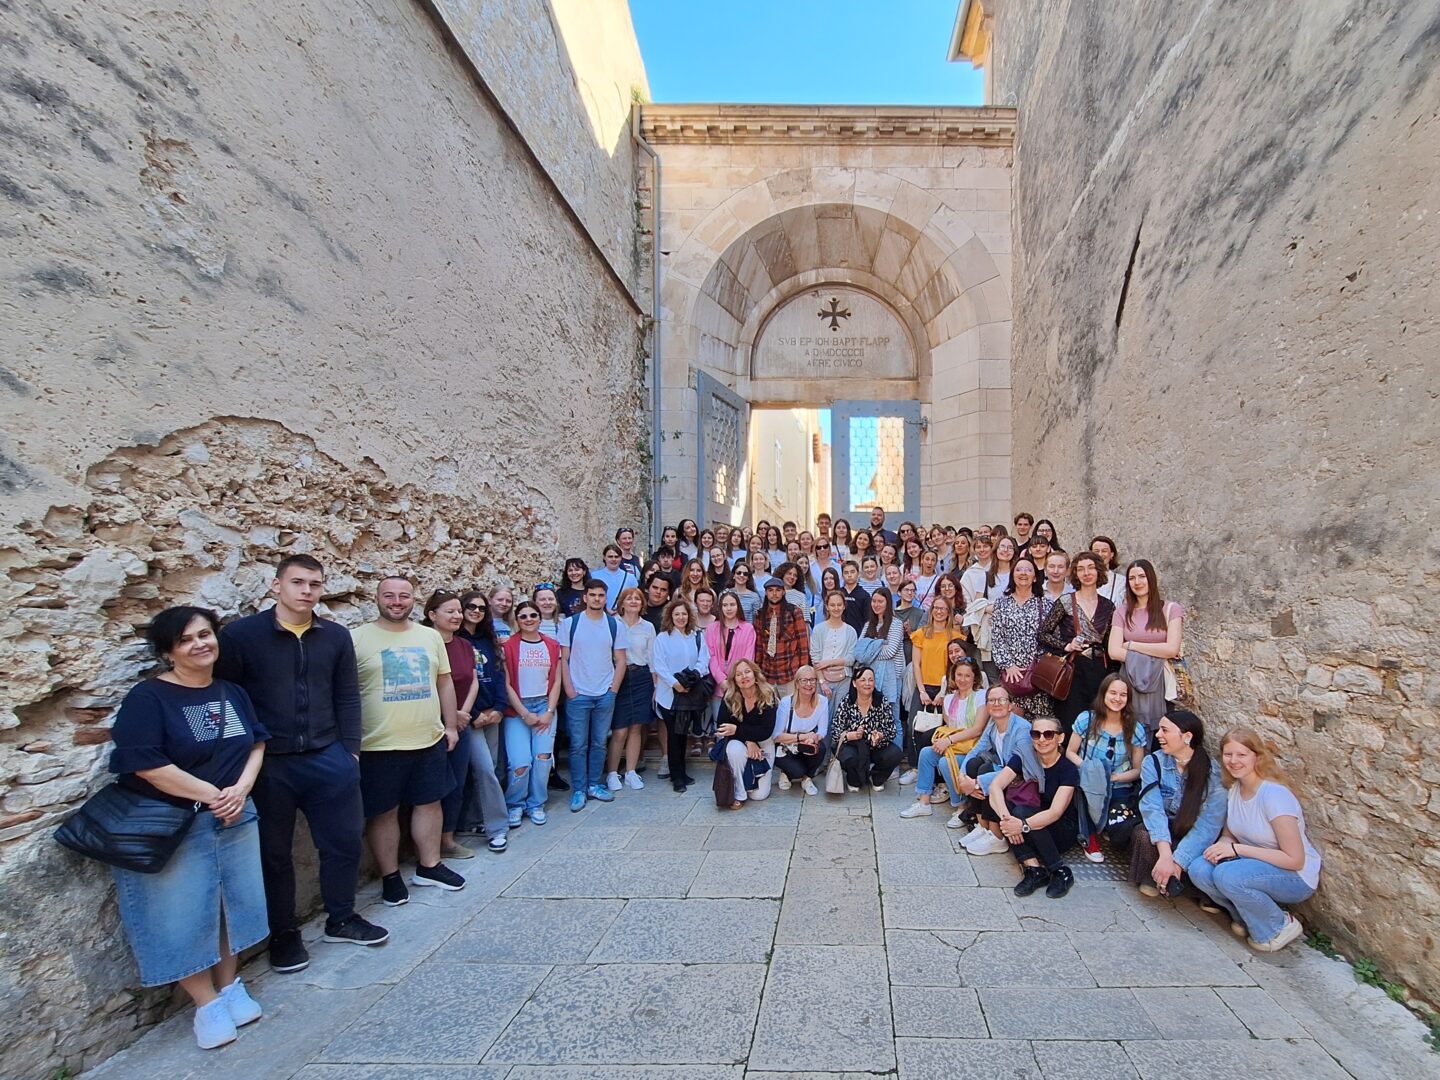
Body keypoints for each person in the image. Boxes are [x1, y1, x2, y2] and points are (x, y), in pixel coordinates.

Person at [108, 606, 269, 1049]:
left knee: (233, 905)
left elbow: (256, 742)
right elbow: (146, 763)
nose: (200, 644)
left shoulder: (231, 691)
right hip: (177, 823)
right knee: (179, 914)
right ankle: (205, 1003)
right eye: (186, 640)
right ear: (167, 652)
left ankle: (229, 984)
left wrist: (241, 789)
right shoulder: (149, 698)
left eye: (205, 634)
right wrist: (213, 794)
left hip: (235, 814)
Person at [215, 556, 383, 977]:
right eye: (298, 582)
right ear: (277, 586)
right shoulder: (241, 637)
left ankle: (341, 917)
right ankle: (284, 934)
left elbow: (347, 695)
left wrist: (350, 752)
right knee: (274, 853)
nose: (307, 590)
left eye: (315, 583)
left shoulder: (334, 636)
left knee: (343, 842)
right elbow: (228, 699)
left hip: (328, 756)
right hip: (270, 763)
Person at [352, 577, 465, 905]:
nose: (397, 601)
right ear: (377, 598)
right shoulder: (356, 639)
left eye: (403, 596)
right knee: (384, 812)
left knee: (430, 803)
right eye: (389, 595)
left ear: (413, 600)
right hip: (378, 743)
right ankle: (390, 876)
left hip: (427, 738)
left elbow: (444, 682)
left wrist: (451, 726)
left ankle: (430, 865)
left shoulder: (429, 637)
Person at [1190, 728, 1323, 951]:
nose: (1234, 761)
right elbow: (1229, 835)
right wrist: (1223, 845)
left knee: (1227, 875)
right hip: (1252, 864)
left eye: (1241, 755)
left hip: (1295, 876)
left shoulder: (1274, 796)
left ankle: (1277, 925)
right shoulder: (1235, 789)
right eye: (1228, 754)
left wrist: (1237, 850)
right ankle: (1245, 918)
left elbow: (1294, 859)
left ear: (1257, 757)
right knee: (1199, 869)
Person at [423, 591, 508, 860]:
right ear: (432, 614)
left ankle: (465, 827)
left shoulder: (470, 643)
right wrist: (459, 714)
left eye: (480, 608)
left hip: (472, 717)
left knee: (476, 774)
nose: (467, 613)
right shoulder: (429, 642)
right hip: (447, 721)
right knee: (479, 771)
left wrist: (479, 710)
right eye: (463, 608)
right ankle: (494, 827)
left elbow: (476, 680)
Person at [1131, 709, 1226, 899]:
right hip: (1165, 831)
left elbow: (1208, 825)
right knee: (1143, 835)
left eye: (1165, 730)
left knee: (1209, 852)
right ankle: (1159, 875)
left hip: (1193, 836)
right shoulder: (1153, 762)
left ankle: (1173, 878)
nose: (1158, 735)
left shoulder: (1214, 774)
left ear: (1187, 736)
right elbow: (1152, 809)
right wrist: (1166, 855)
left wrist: (1178, 861)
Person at [984, 715, 1078, 898]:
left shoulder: (1067, 769)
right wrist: (1007, 820)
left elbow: (1055, 812)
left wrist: (1021, 825)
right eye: (1036, 734)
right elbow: (995, 786)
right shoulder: (1025, 755)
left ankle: (1060, 871)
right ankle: (1034, 869)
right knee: (1000, 803)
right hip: (1027, 824)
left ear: (1060, 738)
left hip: (1060, 830)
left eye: (1048, 734)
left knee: (1020, 811)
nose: (1041, 739)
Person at [559, 577, 628, 811]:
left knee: (599, 743)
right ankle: (579, 789)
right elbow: (564, 659)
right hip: (578, 693)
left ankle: (594, 785)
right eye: (593, 595)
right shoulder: (570, 624)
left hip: (604, 692)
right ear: (585, 597)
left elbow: (621, 660)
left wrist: (613, 689)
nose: (597, 599)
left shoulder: (614, 625)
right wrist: (569, 689)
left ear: (605, 598)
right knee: (578, 745)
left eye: (601, 595)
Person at [1066, 674, 1145, 863]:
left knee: (1120, 827)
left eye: (1123, 695)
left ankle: (1108, 828)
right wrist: (1089, 771)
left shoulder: (1135, 729)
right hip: (1089, 782)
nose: (1117, 698)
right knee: (1086, 799)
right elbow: (1070, 752)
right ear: (1103, 694)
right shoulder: (1086, 719)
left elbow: (1137, 769)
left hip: (1119, 785)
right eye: (1113, 693)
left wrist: (1114, 778)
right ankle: (1089, 839)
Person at [899, 657, 988, 821]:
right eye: (959, 675)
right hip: (954, 746)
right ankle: (924, 802)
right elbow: (949, 726)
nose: (962, 679)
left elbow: (977, 729)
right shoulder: (949, 699)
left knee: (945, 762)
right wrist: (947, 741)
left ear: (974, 677)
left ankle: (960, 806)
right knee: (926, 753)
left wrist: (949, 741)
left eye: (967, 676)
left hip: (972, 748)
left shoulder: (981, 697)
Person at [1037, 551, 1116, 733]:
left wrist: (1113, 675)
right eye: (1081, 569)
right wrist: (1066, 645)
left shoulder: (1108, 606)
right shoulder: (1065, 602)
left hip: (1099, 670)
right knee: (1070, 721)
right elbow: (1043, 634)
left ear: (1098, 571)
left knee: (1098, 721)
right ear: (1075, 574)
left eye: (1091, 568)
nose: (1086, 573)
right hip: (1073, 670)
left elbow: (1108, 643)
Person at [955, 686, 1039, 855]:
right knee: (973, 764)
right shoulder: (993, 724)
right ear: (987, 706)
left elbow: (1020, 770)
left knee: (985, 771)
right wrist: (962, 776)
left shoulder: (1021, 729)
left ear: (1010, 705)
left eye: (1002, 700)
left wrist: (976, 784)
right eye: (992, 700)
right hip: (1005, 772)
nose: (996, 704)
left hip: (1023, 778)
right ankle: (982, 827)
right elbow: (976, 750)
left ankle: (997, 837)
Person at [1108, 559, 1185, 738]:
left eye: (1142, 576)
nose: (1137, 582)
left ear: (1151, 578)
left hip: (1161, 681)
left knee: (1161, 730)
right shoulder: (1121, 612)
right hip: (1130, 679)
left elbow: (1172, 649)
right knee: (1129, 729)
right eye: (1132, 578)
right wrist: (1157, 652)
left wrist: (1132, 645)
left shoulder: (1171, 609)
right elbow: (1114, 651)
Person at [502, 599, 562, 826]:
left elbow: (556, 681)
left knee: (543, 758)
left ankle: (536, 803)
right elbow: (506, 684)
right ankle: (515, 804)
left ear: (539, 618)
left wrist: (549, 711)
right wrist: (524, 713)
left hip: (544, 705)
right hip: (518, 709)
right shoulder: (508, 646)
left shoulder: (552, 645)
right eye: (523, 616)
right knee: (520, 762)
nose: (529, 620)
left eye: (533, 615)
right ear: (517, 620)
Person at [653, 597, 710, 792]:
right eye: (676, 614)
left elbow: (704, 658)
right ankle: (676, 776)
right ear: (670, 616)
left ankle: (682, 772)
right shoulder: (663, 638)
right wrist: (675, 684)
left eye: (684, 614)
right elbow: (659, 665)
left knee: (683, 734)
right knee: (674, 735)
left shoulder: (696, 635)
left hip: (689, 693)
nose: (680, 617)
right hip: (669, 695)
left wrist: (695, 675)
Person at [604, 588, 654, 792]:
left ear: (642, 604)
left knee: (636, 727)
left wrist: (654, 686)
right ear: (621, 603)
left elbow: (651, 657)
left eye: (637, 599)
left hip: (641, 676)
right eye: (629, 598)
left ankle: (631, 771)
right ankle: (612, 772)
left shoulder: (648, 627)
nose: (633, 601)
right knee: (620, 729)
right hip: (619, 677)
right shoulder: (612, 624)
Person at [990, 555, 1048, 718]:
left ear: (1035, 577)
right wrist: (1008, 665)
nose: (1023, 573)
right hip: (1011, 676)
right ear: (1012, 575)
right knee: (1011, 722)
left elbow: (1051, 639)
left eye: (1028, 570)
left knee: (1040, 724)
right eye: (1019, 569)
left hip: (1038, 676)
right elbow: (997, 638)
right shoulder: (1001, 604)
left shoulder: (1045, 604)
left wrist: (1040, 667)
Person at [829, 665, 901, 792]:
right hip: (852, 746)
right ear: (854, 683)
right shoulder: (847, 702)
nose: (867, 683)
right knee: (849, 757)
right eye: (863, 680)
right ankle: (853, 779)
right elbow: (835, 731)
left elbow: (892, 730)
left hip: (874, 747)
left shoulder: (881, 701)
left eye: (871, 680)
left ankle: (877, 777)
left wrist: (880, 736)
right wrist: (850, 735)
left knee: (895, 753)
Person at [859, 587, 907, 773]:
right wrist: (879, 644)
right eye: (874, 601)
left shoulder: (896, 624)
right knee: (872, 720)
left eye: (880, 601)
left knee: (893, 720)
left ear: (888, 603)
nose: (876, 604)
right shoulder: (868, 625)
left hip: (891, 679)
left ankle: (893, 764)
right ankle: (876, 760)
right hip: (869, 681)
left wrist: (870, 647)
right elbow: (859, 652)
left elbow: (890, 651)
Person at [771, 666, 830, 795]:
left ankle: (807, 778)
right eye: (804, 680)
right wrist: (802, 737)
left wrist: (815, 738)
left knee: (821, 748)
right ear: (797, 684)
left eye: (812, 680)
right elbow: (776, 736)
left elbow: (823, 730)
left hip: (805, 745)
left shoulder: (822, 701)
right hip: (786, 746)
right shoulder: (787, 702)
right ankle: (788, 772)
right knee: (797, 771)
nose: (809, 684)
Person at [706, 589, 757, 729]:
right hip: (719, 685)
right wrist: (722, 680)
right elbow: (711, 656)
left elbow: (748, 658)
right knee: (720, 726)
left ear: (738, 606)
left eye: (732, 605)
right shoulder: (712, 628)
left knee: (739, 725)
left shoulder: (748, 629)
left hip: (740, 684)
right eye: (725, 605)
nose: (729, 608)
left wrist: (735, 681)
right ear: (720, 607)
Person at [753, 576, 809, 696]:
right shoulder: (760, 614)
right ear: (766, 593)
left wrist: (803, 670)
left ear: (783, 592)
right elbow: (759, 645)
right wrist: (758, 671)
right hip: (767, 673)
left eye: (778, 590)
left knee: (790, 705)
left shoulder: (794, 612)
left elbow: (803, 644)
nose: (774, 594)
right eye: (770, 590)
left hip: (790, 672)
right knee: (768, 705)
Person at [810, 589, 857, 702]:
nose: (836, 608)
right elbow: (815, 657)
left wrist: (829, 662)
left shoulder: (851, 631)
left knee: (840, 711)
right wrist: (822, 682)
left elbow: (851, 659)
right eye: (832, 605)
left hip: (844, 679)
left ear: (844, 606)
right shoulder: (818, 629)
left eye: (839, 605)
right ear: (827, 607)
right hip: (822, 679)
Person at [593, 544, 639, 611]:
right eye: (610, 557)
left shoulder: (630, 578)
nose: (613, 559)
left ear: (621, 558)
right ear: (604, 557)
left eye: (616, 557)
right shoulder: (594, 576)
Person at [1090, 535, 1126, 605]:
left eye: (1104, 551)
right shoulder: (1083, 578)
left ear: (1112, 554)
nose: (1100, 554)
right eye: (1096, 551)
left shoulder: (1122, 581)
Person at [838, 559, 869, 633]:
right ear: (842, 576)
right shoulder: (838, 594)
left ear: (858, 574)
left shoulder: (864, 595)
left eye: (852, 572)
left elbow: (868, 620)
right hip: (839, 634)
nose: (849, 575)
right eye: (846, 572)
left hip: (858, 634)